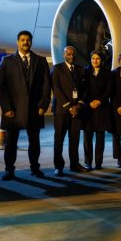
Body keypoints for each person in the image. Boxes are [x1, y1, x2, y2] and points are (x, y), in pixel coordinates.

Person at [0, 30, 52, 179]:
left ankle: (35, 167)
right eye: (22, 40)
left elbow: (47, 85)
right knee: (11, 142)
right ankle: (9, 169)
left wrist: (43, 105)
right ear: (17, 42)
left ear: (31, 42)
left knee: (34, 142)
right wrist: (6, 108)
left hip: (35, 110)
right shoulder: (6, 61)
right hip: (13, 110)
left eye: (28, 40)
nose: (25, 42)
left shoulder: (41, 61)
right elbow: (1, 87)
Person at [51, 46, 85, 176]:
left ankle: (74, 164)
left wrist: (78, 105)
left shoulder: (80, 69)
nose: (71, 56)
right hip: (62, 110)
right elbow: (56, 89)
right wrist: (69, 107)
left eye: (73, 54)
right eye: (68, 54)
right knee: (59, 139)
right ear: (64, 55)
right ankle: (58, 166)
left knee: (74, 139)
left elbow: (85, 89)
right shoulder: (57, 69)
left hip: (76, 110)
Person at [83, 50, 112, 170]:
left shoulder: (107, 73)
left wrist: (99, 101)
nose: (95, 61)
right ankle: (88, 162)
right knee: (87, 138)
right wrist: (89, 102)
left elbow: (109, 90)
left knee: (100, 138)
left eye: (97, 58)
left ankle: (98, 162)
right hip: (88, 108)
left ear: (101, 60)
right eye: (93, 58)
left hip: (102, 107)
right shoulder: (85, 72)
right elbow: (82, 89)